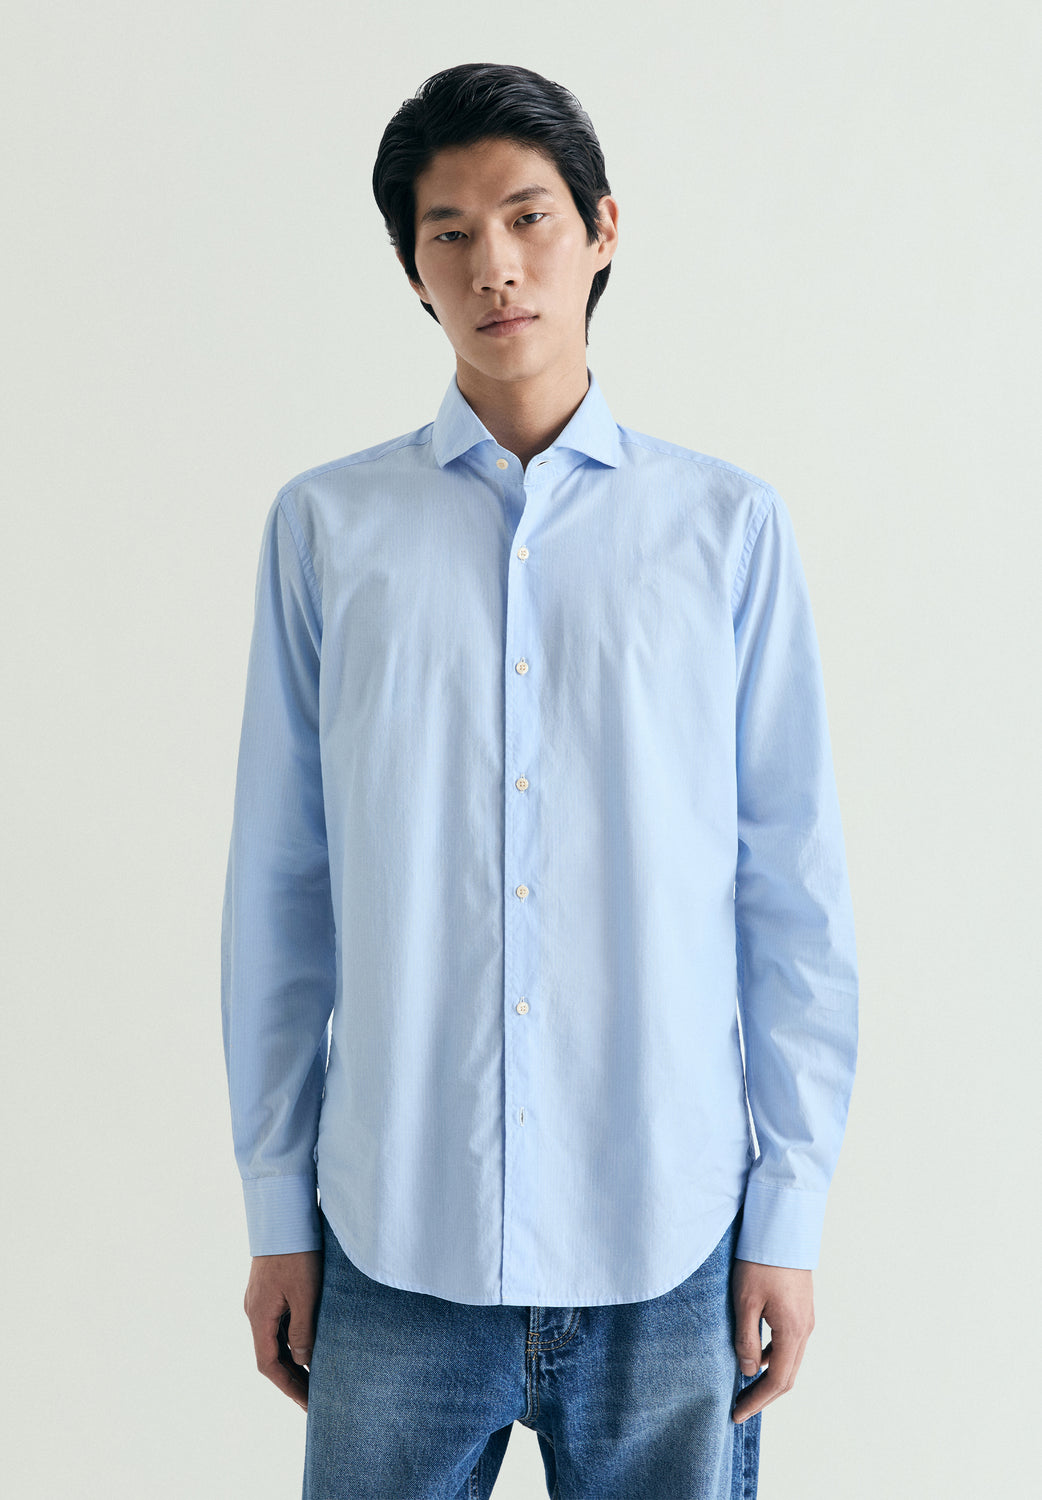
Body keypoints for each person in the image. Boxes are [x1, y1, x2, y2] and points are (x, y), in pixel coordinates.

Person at [221, 61, 859, 1500]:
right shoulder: (327, 530)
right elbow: (281, 887)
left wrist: (788, 1212)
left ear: (601, 228)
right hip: (395, 1238)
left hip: (671, 1242)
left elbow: (791, 892)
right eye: (448, 233)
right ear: (413, 271)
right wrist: (276, 1209)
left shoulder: (726, 531)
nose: (493, 266)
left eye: (527, 218)